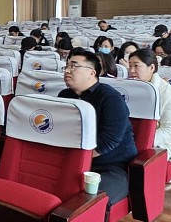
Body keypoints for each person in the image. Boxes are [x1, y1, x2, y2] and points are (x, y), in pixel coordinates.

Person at [58, 49, 137, 209]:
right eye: (66, 66)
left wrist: (76, 160)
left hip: (111, 166)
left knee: (87, 202)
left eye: (74, 66)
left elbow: (108, 140)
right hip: (75, 161)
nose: (67, 70)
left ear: (92, 72)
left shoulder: (110, 98)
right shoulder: (64, 96)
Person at [128, 49, 171, 164]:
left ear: (151, 68)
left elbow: (170, 128)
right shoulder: (129, 88)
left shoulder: (167, 92)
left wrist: (143, 142)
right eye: (130, 66)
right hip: (131, 140)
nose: (132, 71)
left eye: (136, 66)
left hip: (160, 143)